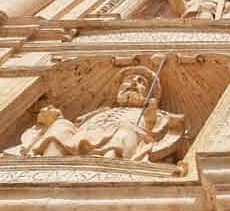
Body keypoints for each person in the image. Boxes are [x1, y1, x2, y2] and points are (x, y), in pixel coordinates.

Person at [6, 67, 186, 164]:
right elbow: (76, 126)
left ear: (149, 93)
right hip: (83, 139)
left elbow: (161, 128)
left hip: (124, 140)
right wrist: (53, 119)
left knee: (125, 130)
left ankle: (111, 167)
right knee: (63, 125)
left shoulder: (151, 111)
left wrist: (150, 116)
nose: (133, 83)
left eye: (141, 82)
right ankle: (49, 164)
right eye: (128, 81)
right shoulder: (101, 111)